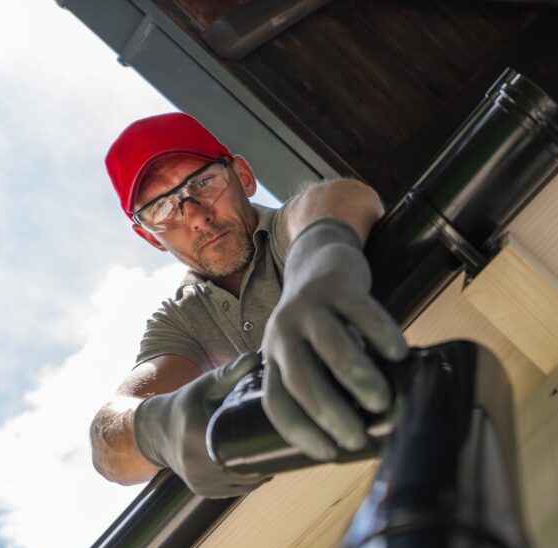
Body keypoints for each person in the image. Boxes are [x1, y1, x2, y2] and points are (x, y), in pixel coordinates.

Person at [89, 112, 407, 498]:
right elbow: (109, 442)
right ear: (151, 238)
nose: (196, 216)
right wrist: (159, 427)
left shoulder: (289, 229)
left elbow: (336, 197)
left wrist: (319, 268)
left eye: (203, 182)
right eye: (160, 209)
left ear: (243, 176)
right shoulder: (180, 320)